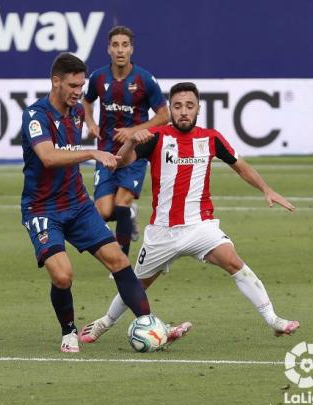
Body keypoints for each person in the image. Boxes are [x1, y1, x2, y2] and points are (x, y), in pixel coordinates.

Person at [78, 82, 300, 344]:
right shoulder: (157, 137)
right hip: (163, 231)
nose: (184, 111)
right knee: (137, 284)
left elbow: (240, 166)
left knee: (234, 262)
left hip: (200, 227)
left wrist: (266, 189)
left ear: (198, 109)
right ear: (170, 109)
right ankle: (104, 323)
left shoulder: (211, 138)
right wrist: (129, 142)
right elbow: (119, 163)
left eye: (189, 106)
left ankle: (273, 320)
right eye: (178, 106)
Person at [20, 52, 190, 353]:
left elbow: (93, 135)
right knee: (62, 275)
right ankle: (69, 331)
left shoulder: (74, 112)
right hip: (43, 209)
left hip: (77, 203)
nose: (78, 92)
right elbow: (47, 157)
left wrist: (126, 143)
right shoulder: (36, 116)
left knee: (120, 262)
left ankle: (151, 325)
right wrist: (91, 153)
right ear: (55, 81)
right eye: (72, 85)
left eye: (81, 86)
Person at [83, 26, 169, 257]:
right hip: (106, 153)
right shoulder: (98, 78)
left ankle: (120, 261)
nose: (120, 50)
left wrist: (133, 132)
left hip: (134, 154)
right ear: (108, 49)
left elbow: (164, 115)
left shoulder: (144, 79)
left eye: (125, 45)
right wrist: (90, 122)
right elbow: (85, 101)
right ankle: (128, 216)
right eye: (115, 45)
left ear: (131, 49)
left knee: (121, 203)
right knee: (103, 211)